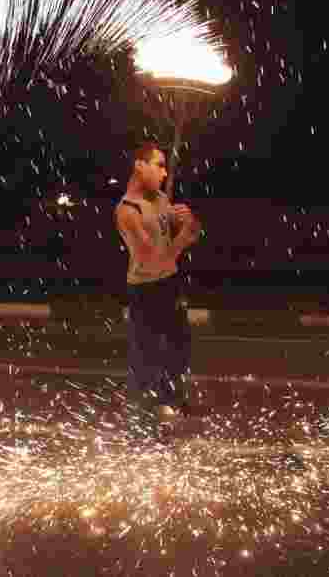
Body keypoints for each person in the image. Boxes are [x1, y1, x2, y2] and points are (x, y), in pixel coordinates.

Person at [114, 141, 202, 442]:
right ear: (140, 165)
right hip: (145, 288)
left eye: (165, 166)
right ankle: (141, 419)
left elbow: (193, 233)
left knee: (180, 344)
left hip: (170, 282)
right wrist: (182, 242)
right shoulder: (127, 211)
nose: (164, 172)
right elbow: (150, 258)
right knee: (146, 354)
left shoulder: (163, 199)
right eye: (158, 164)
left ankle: (172, 400)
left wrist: (190, 221)